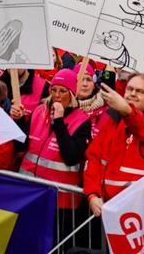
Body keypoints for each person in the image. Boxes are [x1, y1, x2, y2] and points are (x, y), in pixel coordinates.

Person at [83, 73, 144, 215]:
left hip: (139, 214)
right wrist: (92, 194)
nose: (133, 94)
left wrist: (127, 110)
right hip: (108, 208)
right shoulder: (114, 120)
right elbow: (93, 157)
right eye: (130, 89)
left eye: (140, 91)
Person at [20, 69, 92, 209]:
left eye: (63, 91)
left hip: (59, 200)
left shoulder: (82, 120)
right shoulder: (40, 111)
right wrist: (18, 120)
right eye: (53, 90)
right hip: (28, 191)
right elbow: (20, 146)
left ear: (71, 94)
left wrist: (59, 121)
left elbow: (71, 157)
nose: (57, 95)